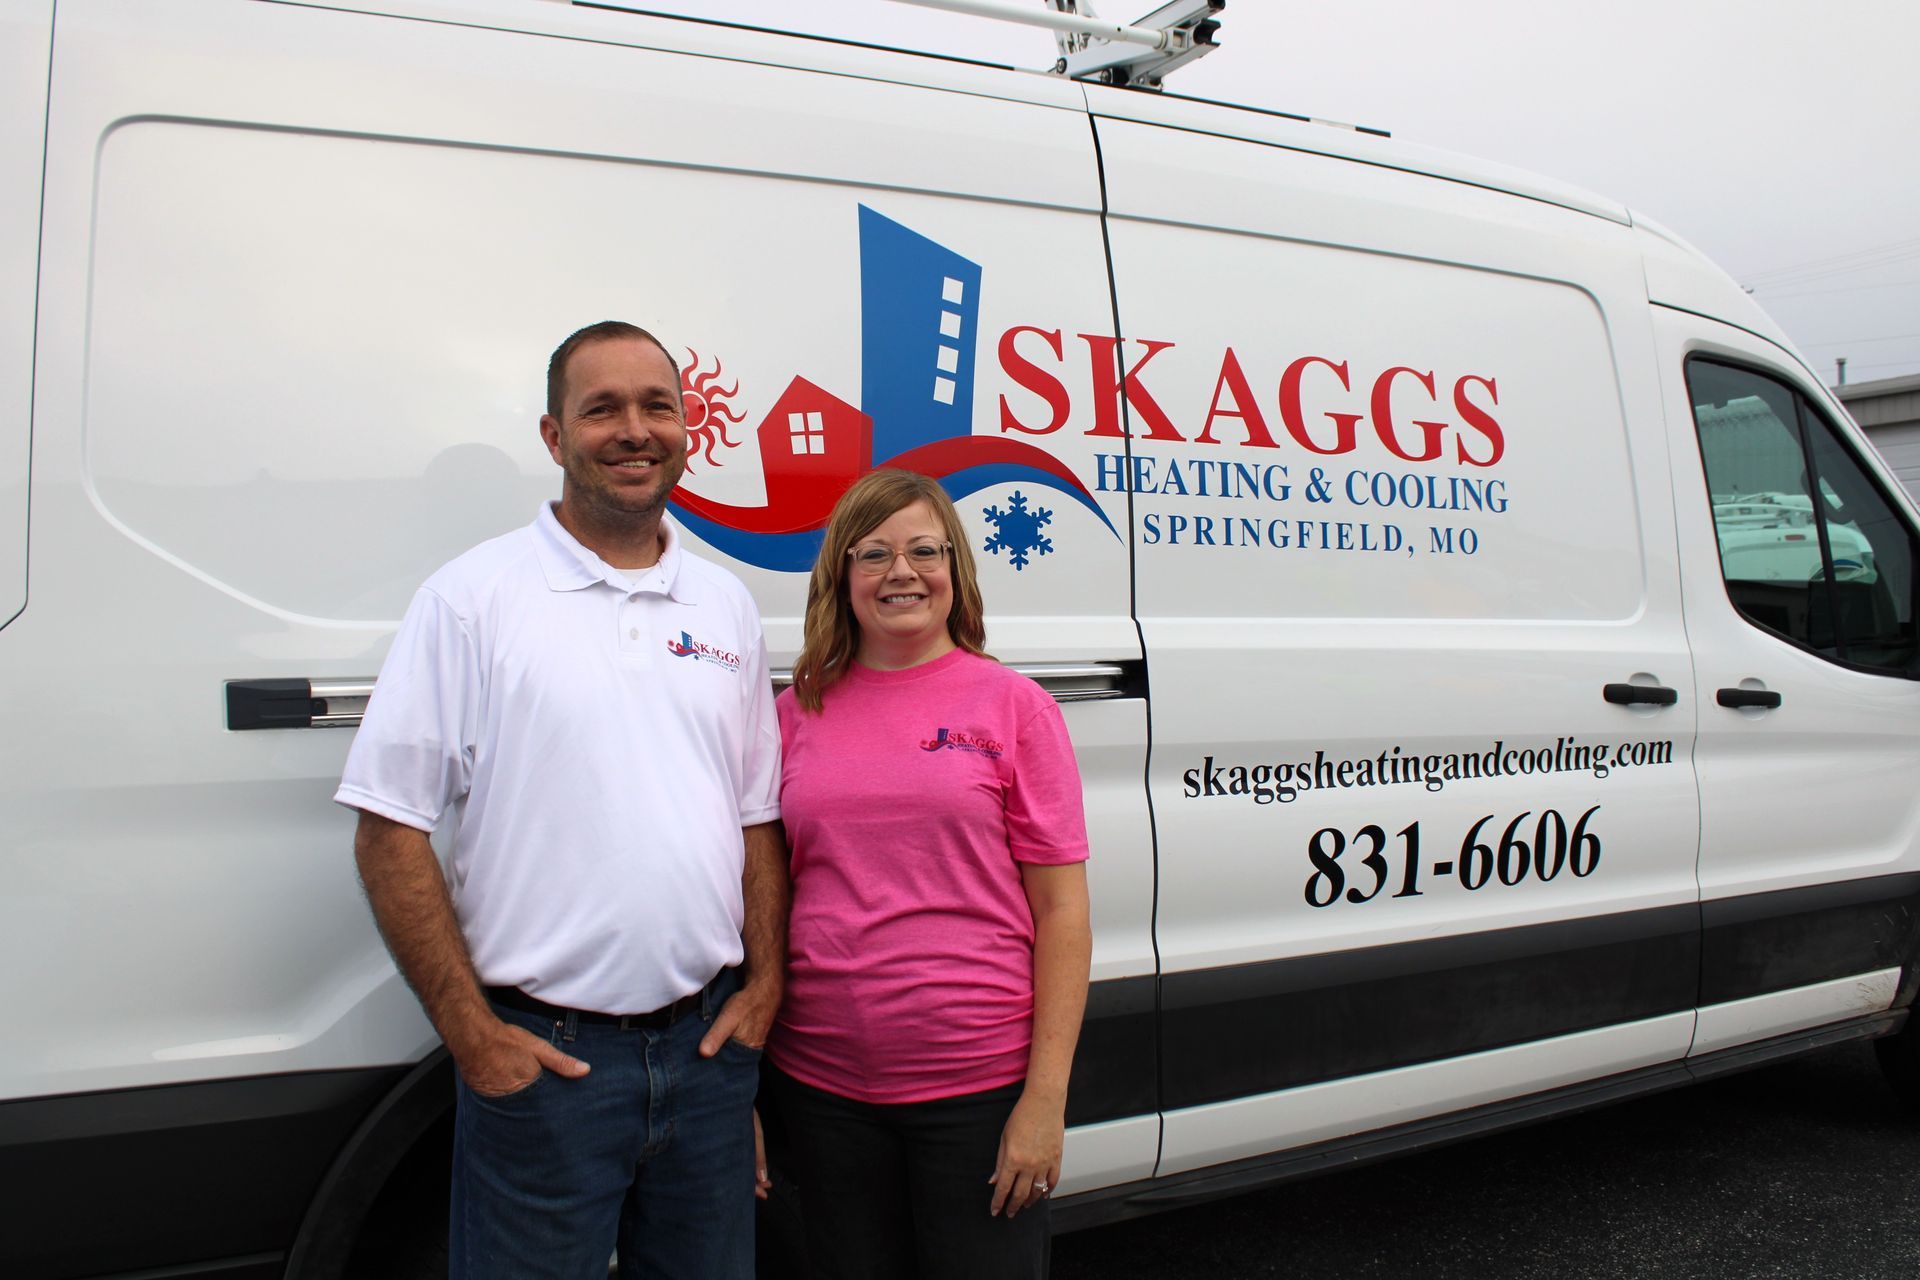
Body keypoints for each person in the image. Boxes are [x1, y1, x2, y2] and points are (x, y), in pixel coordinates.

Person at [335, 321, 787, 1280]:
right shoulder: (473, 598)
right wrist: (475, 1041)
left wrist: (765, 989)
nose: (635, 430)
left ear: (687, 426)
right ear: (553, 436)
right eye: (602, 409)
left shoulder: (725, 605)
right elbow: (389, 829)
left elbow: (756, 818)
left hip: (707, 1059)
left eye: (657, 406)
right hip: (547, 1068)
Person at [766, 468, 1093, 1279]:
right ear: (841, 576)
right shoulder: (792, 712)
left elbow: (1062, 914)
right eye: (873, 554)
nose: (901, 573)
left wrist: (1044, 1103)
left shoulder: (1013, 707)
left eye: (924, 551)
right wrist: (747, 1095)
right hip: (819, 1090)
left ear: (956, 570)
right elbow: (761, 906)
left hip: (977, 1093)